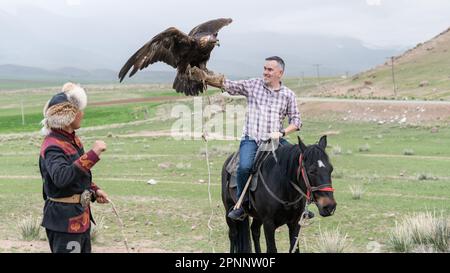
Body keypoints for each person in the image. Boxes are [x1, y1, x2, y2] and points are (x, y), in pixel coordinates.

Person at [192, 56, 313, 221]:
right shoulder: (253, 85)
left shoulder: (288, 95)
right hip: (252, 139)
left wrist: (282, 132)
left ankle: (303, 205)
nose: (265, 72)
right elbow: (229, 85)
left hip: (276, 140)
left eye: (270, 70)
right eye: (264, 68)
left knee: (299, 161)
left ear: (280, 73)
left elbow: (296, 121)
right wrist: (206, 78)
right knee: (244, 167)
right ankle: (242, 205)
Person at [39, 82, 109, 253]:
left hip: (79, 217)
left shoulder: (71, 140)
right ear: (68, 117)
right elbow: (62, 178)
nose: (82, 114)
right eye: (78, 110)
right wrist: (93, 155)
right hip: (64, 222)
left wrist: (94, 190)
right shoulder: (53, 146)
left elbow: (78, 175)